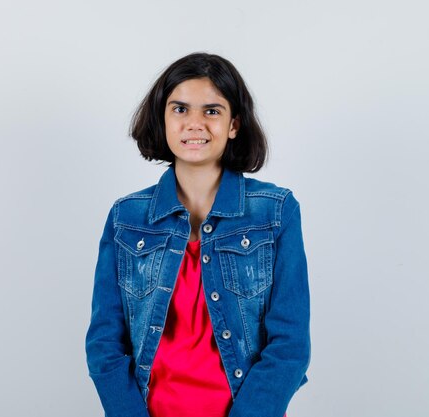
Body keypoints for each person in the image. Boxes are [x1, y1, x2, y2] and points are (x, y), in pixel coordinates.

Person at [85, 52, 310, 417]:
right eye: (180, 109)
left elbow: (290, 346)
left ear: (234, 124)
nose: (194, 124)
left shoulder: (276, 211)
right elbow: (104, 344)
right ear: (162, 119)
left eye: (211, 111)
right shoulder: (125, 218)